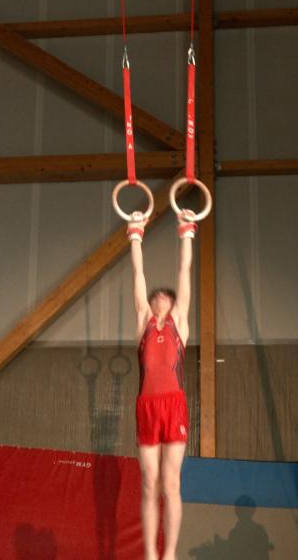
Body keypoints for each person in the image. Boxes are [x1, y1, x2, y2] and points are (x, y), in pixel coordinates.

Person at [128, 208, 195, 560]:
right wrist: (135, 233)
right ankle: (150, 556)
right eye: (154, 298)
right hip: (147, 407)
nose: (158, 300)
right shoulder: (143, 322)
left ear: (171, 305)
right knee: (148, 483)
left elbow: (184, 271)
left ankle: (168, 553)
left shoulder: (178, 324)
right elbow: (138, 273)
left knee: (171, 483)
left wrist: (186, 231)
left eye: (164, 298)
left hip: (173, 404)